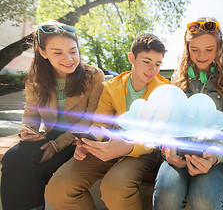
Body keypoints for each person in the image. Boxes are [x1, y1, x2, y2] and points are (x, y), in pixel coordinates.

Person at [45, 33, 170, 210]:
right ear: (131, 58)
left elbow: (158, 135)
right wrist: (87, 142)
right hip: (110, 144)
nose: (152, 69)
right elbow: (100, 124)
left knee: (114, 186)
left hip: (145, 150)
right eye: (147, 61)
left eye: (158, 64)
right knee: (59, 189)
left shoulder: (165, 90)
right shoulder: (113, 87)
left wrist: (128, 146)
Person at [0, 21, 105, 210]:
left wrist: (58, 145)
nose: (69, 59)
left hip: (77, 138)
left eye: (73, 51)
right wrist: (28, 131)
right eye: (58, 53)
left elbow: (90, 118)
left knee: (40, 164)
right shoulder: (35, 79)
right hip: (49, 134)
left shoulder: (93, 76)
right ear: (43, 52)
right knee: (13, 158)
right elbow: (31, 113)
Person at [153, 17, 223, 210]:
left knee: (204, 201)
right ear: (187, 47)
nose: (201, 56)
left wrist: (214, 155)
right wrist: (167, 145)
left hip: (212, 152)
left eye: (209, 49)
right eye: (194, 49)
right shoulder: (178, 78)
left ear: (219, 48)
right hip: (178, 149)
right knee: (167, 197)